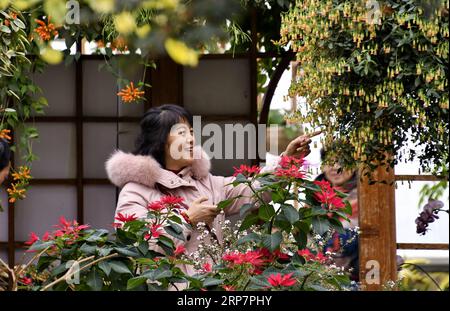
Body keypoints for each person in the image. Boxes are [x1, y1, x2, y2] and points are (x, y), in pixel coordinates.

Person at [106, 104, 313, 276]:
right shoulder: (134, 192)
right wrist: (187, 219)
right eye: (182, 133)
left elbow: (254, 191)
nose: (191, 139)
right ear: (159, 141)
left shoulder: (207, 182)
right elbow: (139, 249)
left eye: (192, 133)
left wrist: (287, 161)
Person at [315, 148, 359, 281]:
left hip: (357, 276)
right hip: (316, 277)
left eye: (341, 162)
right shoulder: (312, 195)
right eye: (329, 162)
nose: (335, 167)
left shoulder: (367, 195)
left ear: (354, 165)